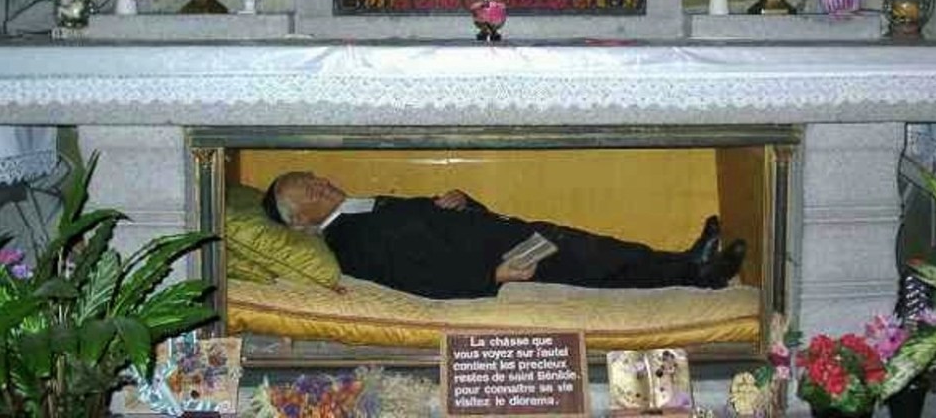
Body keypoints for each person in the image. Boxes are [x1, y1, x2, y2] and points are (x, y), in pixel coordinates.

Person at [261, 171, 748, 300]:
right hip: (499, 257)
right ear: (300, 221)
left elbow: (428, 228)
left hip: (498, 234)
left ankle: (688, 263)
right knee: (594, 263)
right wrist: (492, 275)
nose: (319, 183)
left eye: (311, 177)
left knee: (596, 249)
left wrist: (462, 203)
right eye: (307, 190)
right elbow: (412, 278)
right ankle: (699, 275)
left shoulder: (361, 208)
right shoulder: (349, 242)